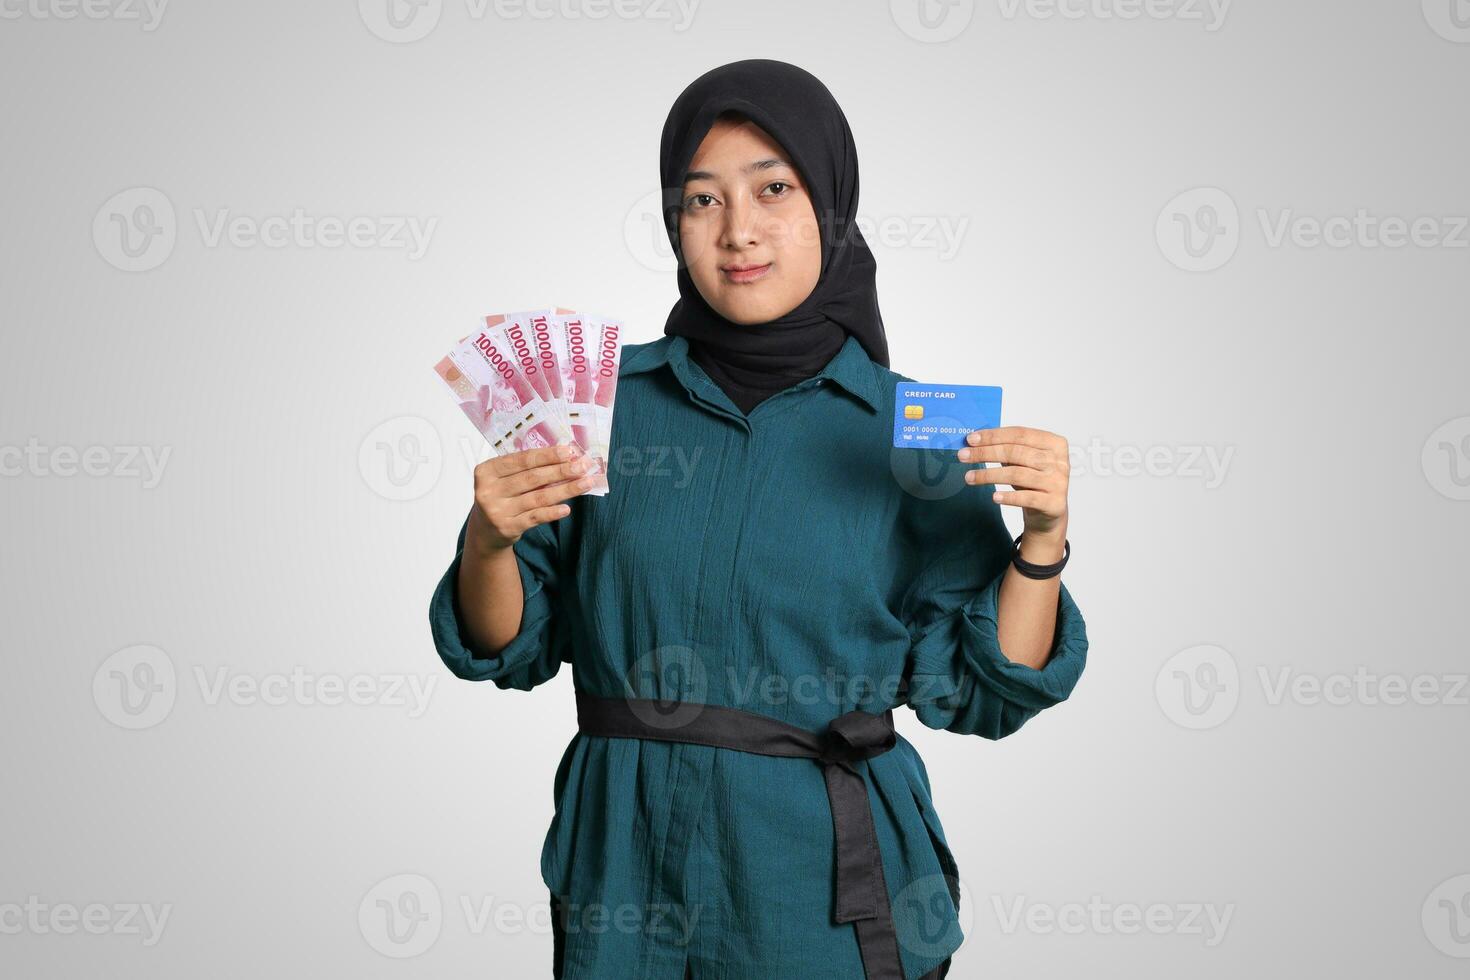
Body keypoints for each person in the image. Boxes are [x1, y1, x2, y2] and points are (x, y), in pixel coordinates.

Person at [430, 58, 1089, 980]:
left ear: (830, 205)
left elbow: (983, 695)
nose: (738, 232)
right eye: (701, 201)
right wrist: (488, 540)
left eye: (773, 190)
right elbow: (507, 648)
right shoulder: (597, 408)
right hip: (626, 876)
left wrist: (1044, 544)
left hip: (823, 894)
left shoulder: (916, 434)